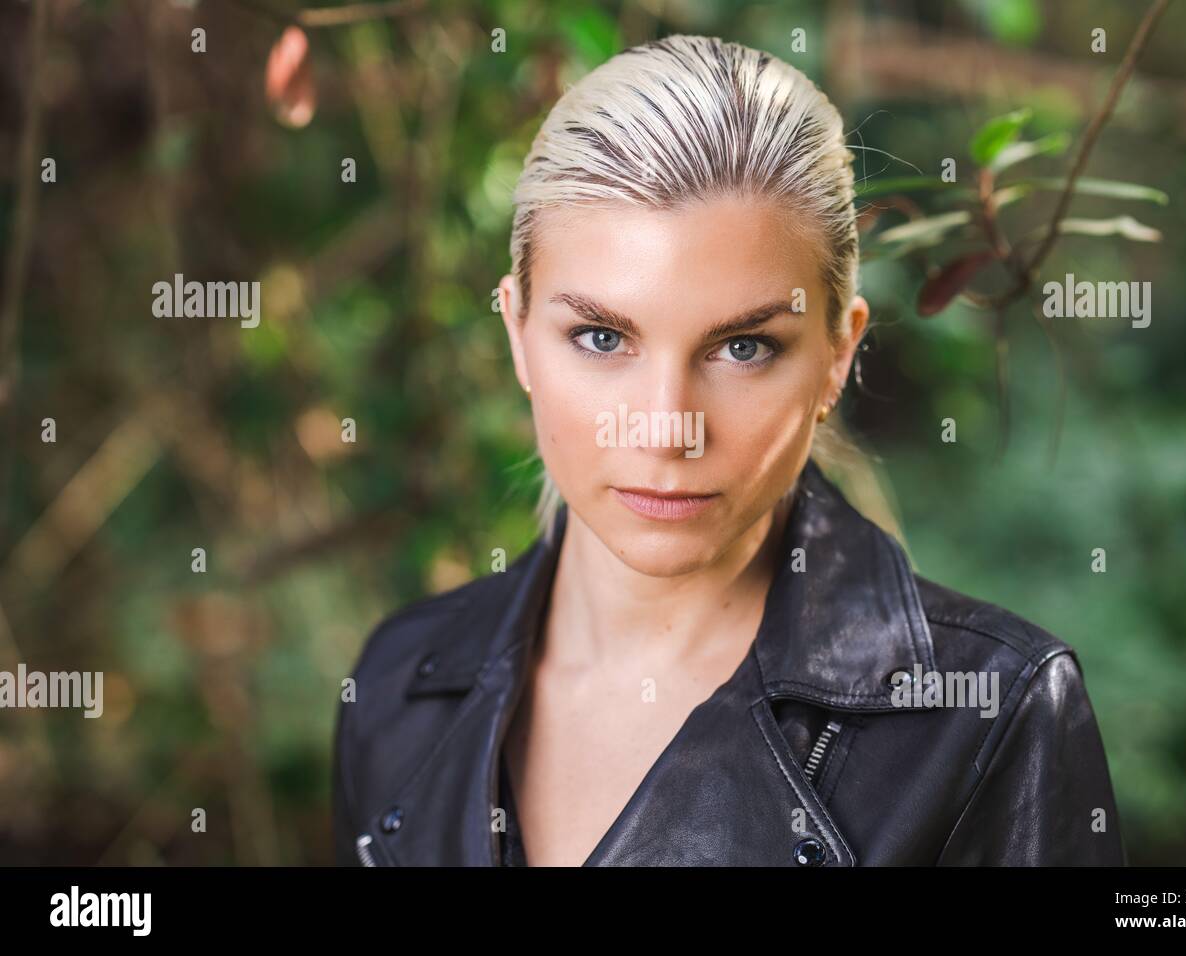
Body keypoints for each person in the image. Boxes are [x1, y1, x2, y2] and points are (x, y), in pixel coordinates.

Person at [332, 33, 1125, 867]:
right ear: (519, 336)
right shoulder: (397, 686)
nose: (668, 428)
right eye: (602, 337)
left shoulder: (990, 717)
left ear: (837, 356)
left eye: (743, 348)